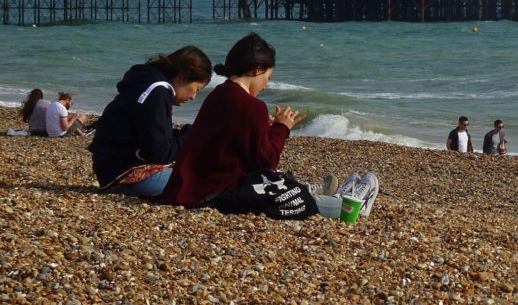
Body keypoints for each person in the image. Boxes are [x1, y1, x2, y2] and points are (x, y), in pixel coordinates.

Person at [161, 33, 378, 219]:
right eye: (268, 77)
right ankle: (350, 206)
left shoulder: (220, 94)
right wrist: (281, 129)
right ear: (257, 70)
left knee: (284, 183)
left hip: (184, 188)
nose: (267, 85)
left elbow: (234, 145)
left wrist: (262, 129)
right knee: (297, 197)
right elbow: (266, 162)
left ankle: (330, 196)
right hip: (212, 193)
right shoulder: (251, 105)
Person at [89, 45, 213, 197]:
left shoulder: (147, 84)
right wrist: (189, 137)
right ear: (183, 77)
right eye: (197, 89)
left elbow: (152, 138)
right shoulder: (156, 92)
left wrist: (185, 135)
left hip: (110, 168)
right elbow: (159, 152)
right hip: (125, 174)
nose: (194, 97)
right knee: (208, 183)